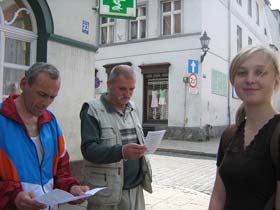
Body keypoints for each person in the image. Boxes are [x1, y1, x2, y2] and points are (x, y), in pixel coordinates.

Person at [0, 62, 89, 210]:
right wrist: (14, 196)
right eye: (42, 95)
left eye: (52, 97)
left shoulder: (51, 122)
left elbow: (61, 171)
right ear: (23, 84)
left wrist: (72, 188)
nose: (46, 103)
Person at [209, 46, 280, 210]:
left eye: (260, 72)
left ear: (276, 79)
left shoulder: (277, 134)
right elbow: (218, 197)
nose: (250, 79)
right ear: (233, 80)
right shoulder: (229, 134)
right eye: (242, 73)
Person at [80, 64, 152, 210]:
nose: (128, 94)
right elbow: (89, 150)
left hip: (136, 189)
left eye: (131, 89)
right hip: (107, 193)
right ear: (109, 85)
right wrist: (121, 152)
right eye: (122, 89)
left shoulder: (132, 107)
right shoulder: (92, 109)